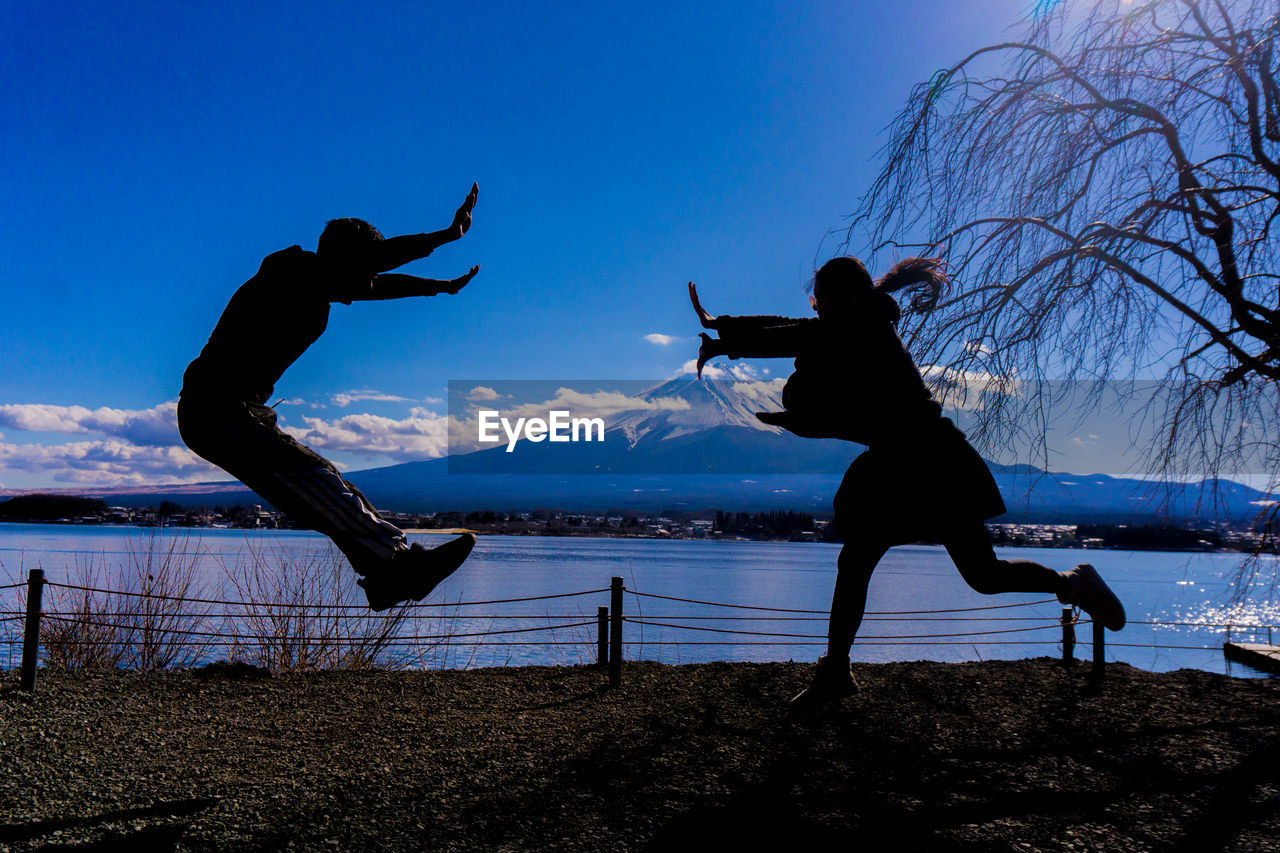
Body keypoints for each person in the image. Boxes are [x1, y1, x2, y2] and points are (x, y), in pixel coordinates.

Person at [690, 256, 1126, 709]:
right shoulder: (855, 327)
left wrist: (724, 336)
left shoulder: (864, 332)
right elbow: (811, 351)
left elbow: (798, 335)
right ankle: (836, 671)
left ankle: (1071, 581)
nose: (816, 309)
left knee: (982, 575)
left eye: (821, 301)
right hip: (900, 463)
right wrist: (722, 332)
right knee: (859, 561)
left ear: (849, 299)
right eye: (815, 301)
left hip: (933, 463)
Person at [178, 184, 482, 611]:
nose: (367, 285)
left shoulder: (316, 284)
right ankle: (396, 565)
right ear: (344, 262)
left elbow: (379, 285)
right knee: (316, 479)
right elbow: (374, 272)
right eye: (365, 269)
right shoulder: (291, 273)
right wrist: (444, 237)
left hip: (232, 412)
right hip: (217, 406)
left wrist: (440, 287)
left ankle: (384, 575)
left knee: (323, 494)